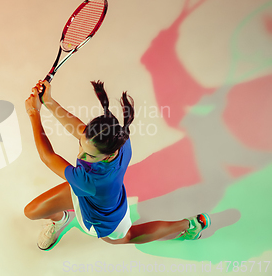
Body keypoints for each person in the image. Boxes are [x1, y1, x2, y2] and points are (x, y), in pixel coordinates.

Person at [24, 79, 211, 250]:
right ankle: (60, 219)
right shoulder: (119, 140)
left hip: (105, 217)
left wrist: (34, 113)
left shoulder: (88, 179)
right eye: (81, 144)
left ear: (109, 154)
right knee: (31, 212)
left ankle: (189, 225)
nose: (80, 156)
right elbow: (79, 129)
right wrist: (48, 101)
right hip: (89, 194)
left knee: (129, 236)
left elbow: (47, 156)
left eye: (88, 155)